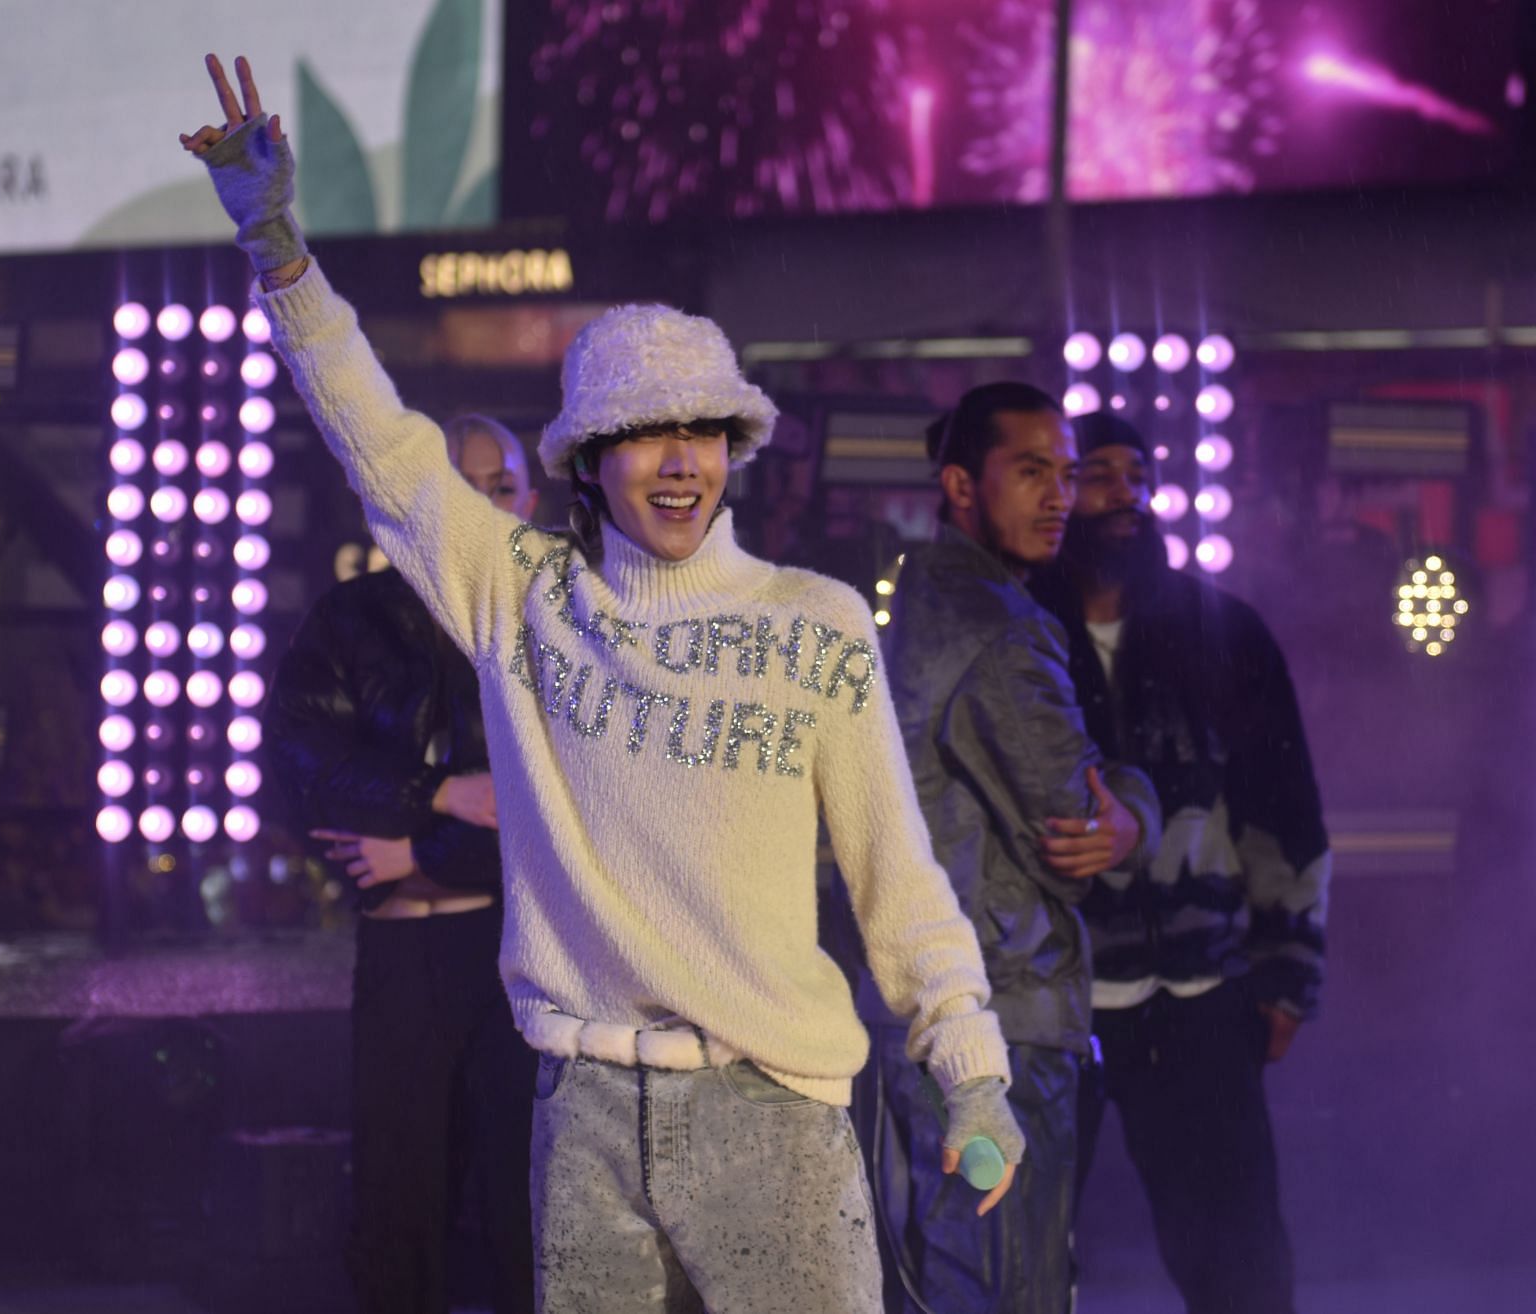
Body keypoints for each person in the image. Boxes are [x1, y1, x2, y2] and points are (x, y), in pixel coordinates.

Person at [182, 54, 1022, 1313]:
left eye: (704, 433)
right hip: (579, 1115)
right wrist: (279, 247)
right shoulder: (527, 596)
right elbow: (383, 444)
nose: (678, 464)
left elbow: (898, 875)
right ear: (589, 462)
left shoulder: (818, 625)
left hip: (773, 1114)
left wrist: (973, 1072)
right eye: (643, 435)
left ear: (736, 447)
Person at [1031, 411, 1328, 1314]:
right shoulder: (1015, 637)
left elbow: (1284, 811)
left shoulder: (1222, 631)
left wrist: (1287, 973)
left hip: (1201, 994)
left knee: (1238, 1263)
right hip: (1050, 998)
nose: (1122, 492)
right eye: (1097, 473)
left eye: (1134, 472)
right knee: (1019, 1257)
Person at [873, 383, 1159, 1314]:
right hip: (1000, 1017)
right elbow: (1071, 831)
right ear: (961, 482)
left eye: (1066, 475)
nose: (1059, 497)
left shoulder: (926, 593)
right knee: (1005, 1286)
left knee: (952, 1275)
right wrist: (1138, 808)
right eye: (1031, 471)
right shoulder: (998, 626)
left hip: (935, 1009)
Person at [265, 415, 540, 1314]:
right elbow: (309, 777)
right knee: (396, 1206)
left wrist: (414, 848)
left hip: (515, 957)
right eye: (465, 484)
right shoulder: (353, 618)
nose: (483, 504)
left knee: (517, 1207)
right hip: (404, 956)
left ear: (529, 499)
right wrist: (437, 793)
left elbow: (549, 809)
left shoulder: (549, 623)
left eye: (501, 486)